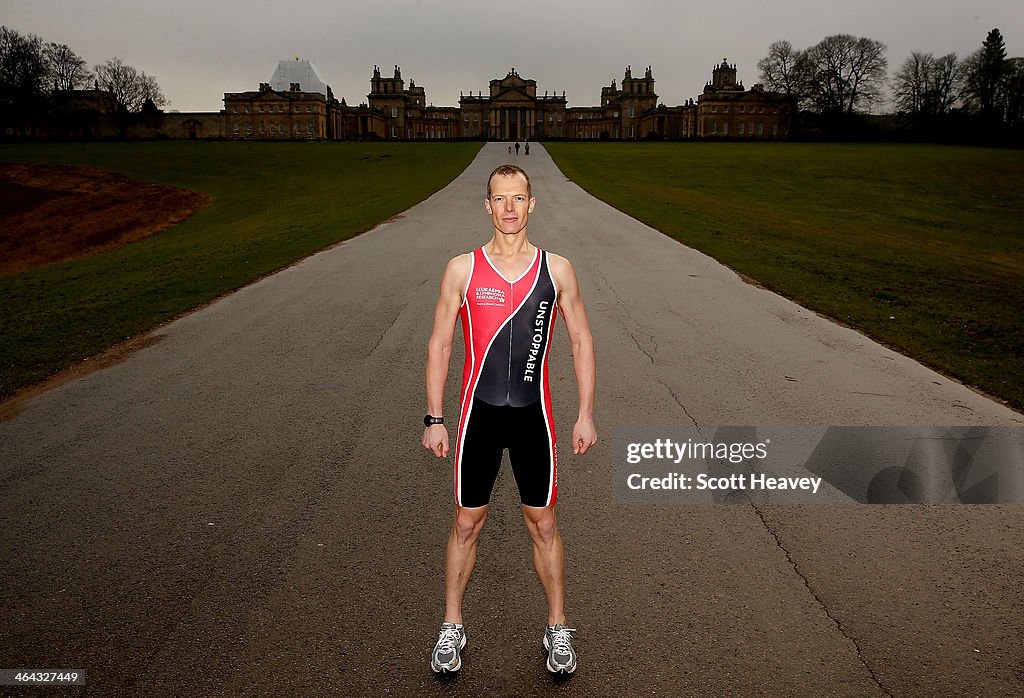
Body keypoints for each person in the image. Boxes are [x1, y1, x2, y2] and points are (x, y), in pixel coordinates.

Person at [423, 163, 597, 676]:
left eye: (518, 198)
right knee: (465, 522)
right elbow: (439, 344)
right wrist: (435, 418)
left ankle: (557, 628)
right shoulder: (462, 269)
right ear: (487, 205)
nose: (509, 208)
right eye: (500, 199)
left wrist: (585, 413)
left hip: (532, 420)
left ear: (532, 204)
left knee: (543, 524)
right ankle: (451, 626)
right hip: (478, 416)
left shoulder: (556, 269)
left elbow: (582, 341)